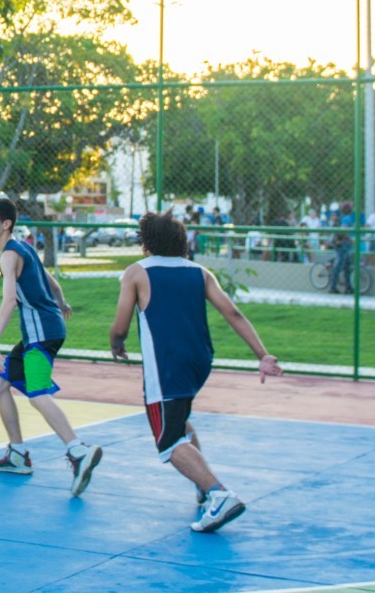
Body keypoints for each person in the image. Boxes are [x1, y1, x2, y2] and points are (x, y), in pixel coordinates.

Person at [108, 210, 282, 533]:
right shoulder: (199, 272)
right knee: (179, 419)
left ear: (146, 243)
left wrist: (116, 342)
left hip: (167, 364)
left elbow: (120, 324)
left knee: (168, 443)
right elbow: (232, 311)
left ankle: (219, 494)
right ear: (181, 241)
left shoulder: (136, 272)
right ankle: (203, 488)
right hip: (199, 362)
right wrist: (262, 354)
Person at [0, 196, 102, 496]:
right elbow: (54, 285)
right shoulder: (25, 248)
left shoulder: (9, 255)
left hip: (40, 333)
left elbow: (9, 300)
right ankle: (18, 454)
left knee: (36, 393)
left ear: (6, 224)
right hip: (48, 327)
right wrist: (62, 304)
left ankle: (77, 450)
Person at [329, 201, 355, 294]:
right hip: (342, 245)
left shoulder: (343, 218)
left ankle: (348, 287)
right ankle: (332, 287)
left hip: (345, 245)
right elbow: (343, 231)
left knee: (347, 267)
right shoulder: (345, 218)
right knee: (339, 266)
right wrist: (351, 239)